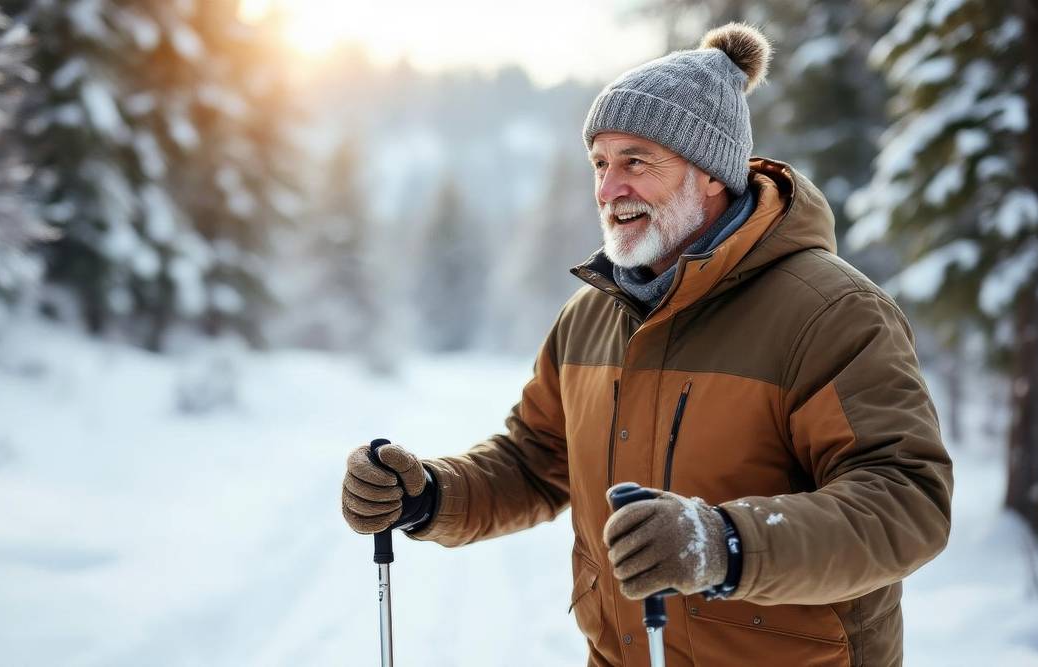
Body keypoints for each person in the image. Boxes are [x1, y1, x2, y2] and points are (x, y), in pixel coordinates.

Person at [341, 22, 952, 667]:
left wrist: (723, 545)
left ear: (713, 174)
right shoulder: (590, 318)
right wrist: (431, 494)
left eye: (637, 162)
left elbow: (906, 499)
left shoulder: (828, 313)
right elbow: (536, 461)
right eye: (600, 165)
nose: (608, 191)